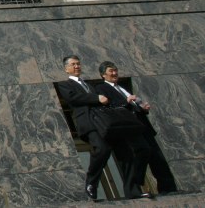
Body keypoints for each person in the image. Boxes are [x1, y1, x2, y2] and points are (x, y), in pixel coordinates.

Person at [95, 61, 177, 196]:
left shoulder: (123, 87)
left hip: (142, 125)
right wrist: (125, 102)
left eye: (115, 70)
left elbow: (133, 105)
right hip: (128, 128)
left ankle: (168, 188)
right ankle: (136, 184)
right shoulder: (102, 88)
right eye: (111, 71)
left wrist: (142, 108)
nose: (115, 73)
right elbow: (109, 107)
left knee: (157, 157)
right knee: (141, 152)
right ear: (103, 75)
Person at [56, 55, 112, 202]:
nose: (77, 67)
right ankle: (91, 182)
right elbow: (74, 99)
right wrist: (96, 98)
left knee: (108, 149)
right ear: (66, 68)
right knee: (101, 148)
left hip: (102, 122)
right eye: (73, 64)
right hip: (87, 123)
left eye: (78, 64)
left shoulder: (89, 85)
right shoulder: (65, 85)